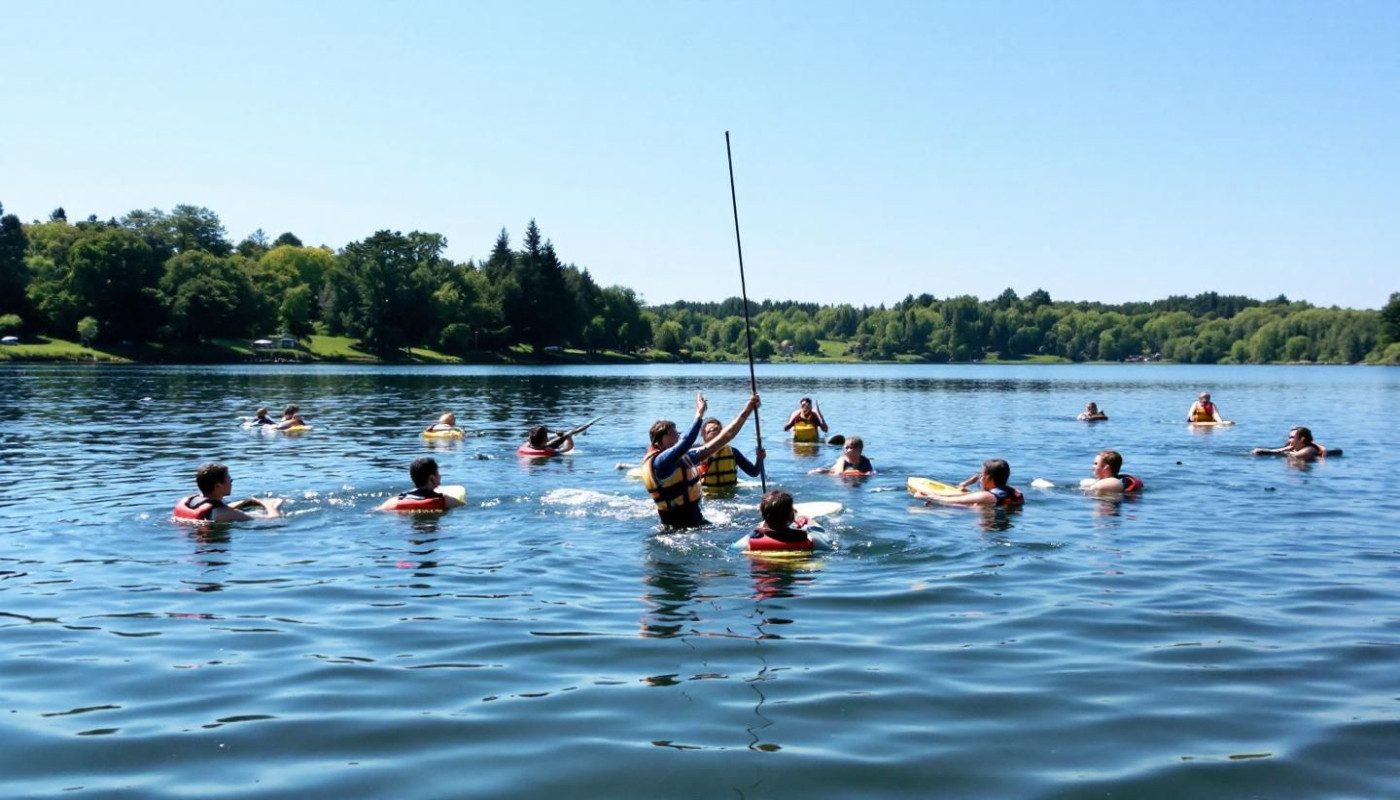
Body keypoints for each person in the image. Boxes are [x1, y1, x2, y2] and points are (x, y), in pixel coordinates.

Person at [641, 392, 760, 527]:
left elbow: (726, 437)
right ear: (658, 442)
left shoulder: (684, 459)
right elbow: (686, 441)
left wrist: (747, 410)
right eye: (673, 434)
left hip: (697, 525)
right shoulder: (661, 463)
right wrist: (699, 414)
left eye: (677, 433)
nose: (677, 437)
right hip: (680, 531)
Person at [173, 462, 284, 522]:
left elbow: (213, 507)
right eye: (229, 480)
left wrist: (247, 502)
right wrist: (269, 505)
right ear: (218, 486)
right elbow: (273, 519)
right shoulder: (222, 514)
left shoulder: (190, 500)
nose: (231, 483)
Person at [733, 489, 832, 552]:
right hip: (797, 568)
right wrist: (808, 525)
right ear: (791, 517)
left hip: (764, 571)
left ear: (763, 517)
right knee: (808, 523)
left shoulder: (749, 542)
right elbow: (829, 545)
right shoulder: (811, 540)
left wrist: (760, 527)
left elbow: (732, 549)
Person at [696, 416, 763, 490]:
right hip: (708, 495)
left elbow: (754, 472)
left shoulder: (733, 452)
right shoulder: (697, 454)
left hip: (730, 495)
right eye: (712, 430)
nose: (715, 432)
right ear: (703, 435)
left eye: (718, 430)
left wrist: (759, 458)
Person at [921, 459, 1024, 507]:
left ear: (990, 478)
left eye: (982, 475)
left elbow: (947, 500)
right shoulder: (1015, 491)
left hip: (990, 520)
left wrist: (925, 496)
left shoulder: (985, 496)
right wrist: (965, 485)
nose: (980, 478)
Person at [377, 457, 465, 512]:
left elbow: (376, 511)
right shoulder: (446, 501)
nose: (440, 476)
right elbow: (464, 507)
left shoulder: (396, 501)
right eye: (437, 473)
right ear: (432, 478)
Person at [1252, 426, 1328, 461]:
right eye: (1289, 437)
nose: (1289, 440)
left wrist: (1282, 450)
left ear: (1302, 439)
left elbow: (1295, 456)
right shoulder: (1290, 446)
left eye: (1292, 437)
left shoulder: (1310, 449)